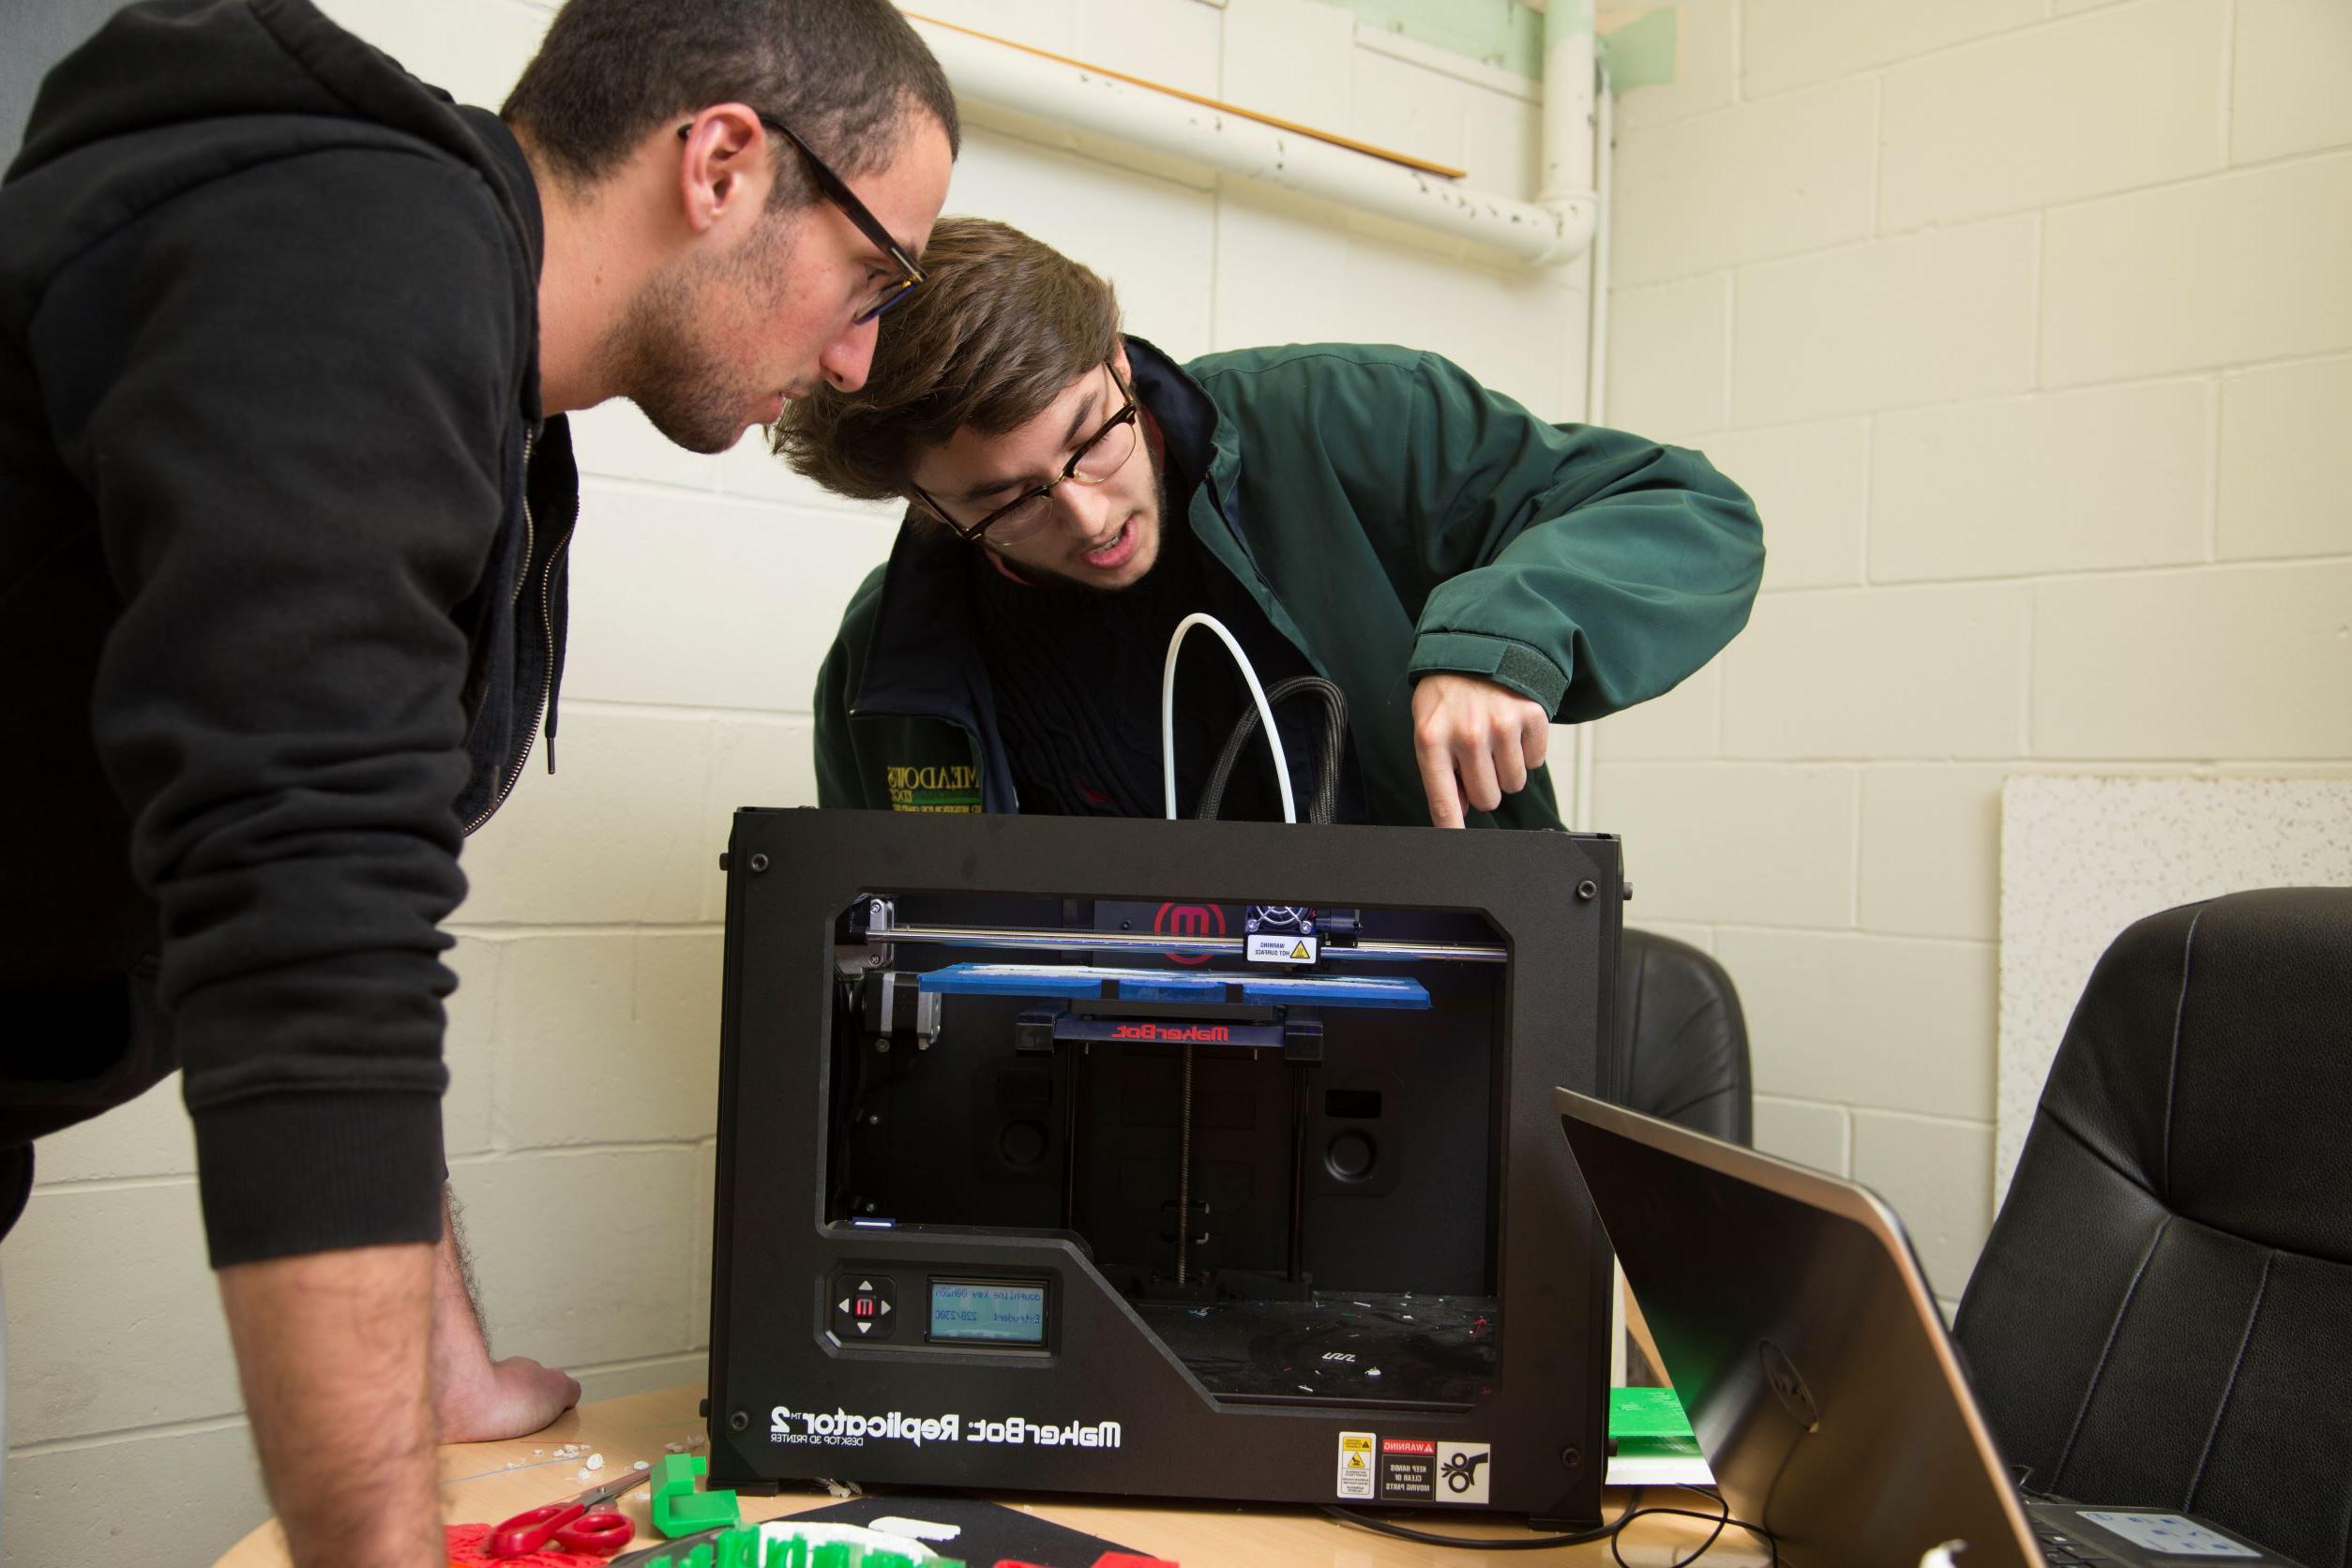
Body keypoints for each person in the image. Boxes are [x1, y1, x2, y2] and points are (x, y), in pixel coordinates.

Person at [0, 0, 956, 1560]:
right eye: (870, 277)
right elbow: (304, 926)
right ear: (720, 161)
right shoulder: (349, 258)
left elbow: (359, 908)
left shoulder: (491, 397)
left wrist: (448, 1366)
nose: (857, 356)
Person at [781, 219, 1763, 830]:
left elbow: (1686, 512)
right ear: (930, 507)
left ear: (1119, 361)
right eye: (1010, 499)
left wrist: (1504, 635)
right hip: (1114, 1118)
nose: (1086, 515)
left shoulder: (1345, 421)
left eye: (1094, 438)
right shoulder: (886, 673)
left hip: (1446, 1050)